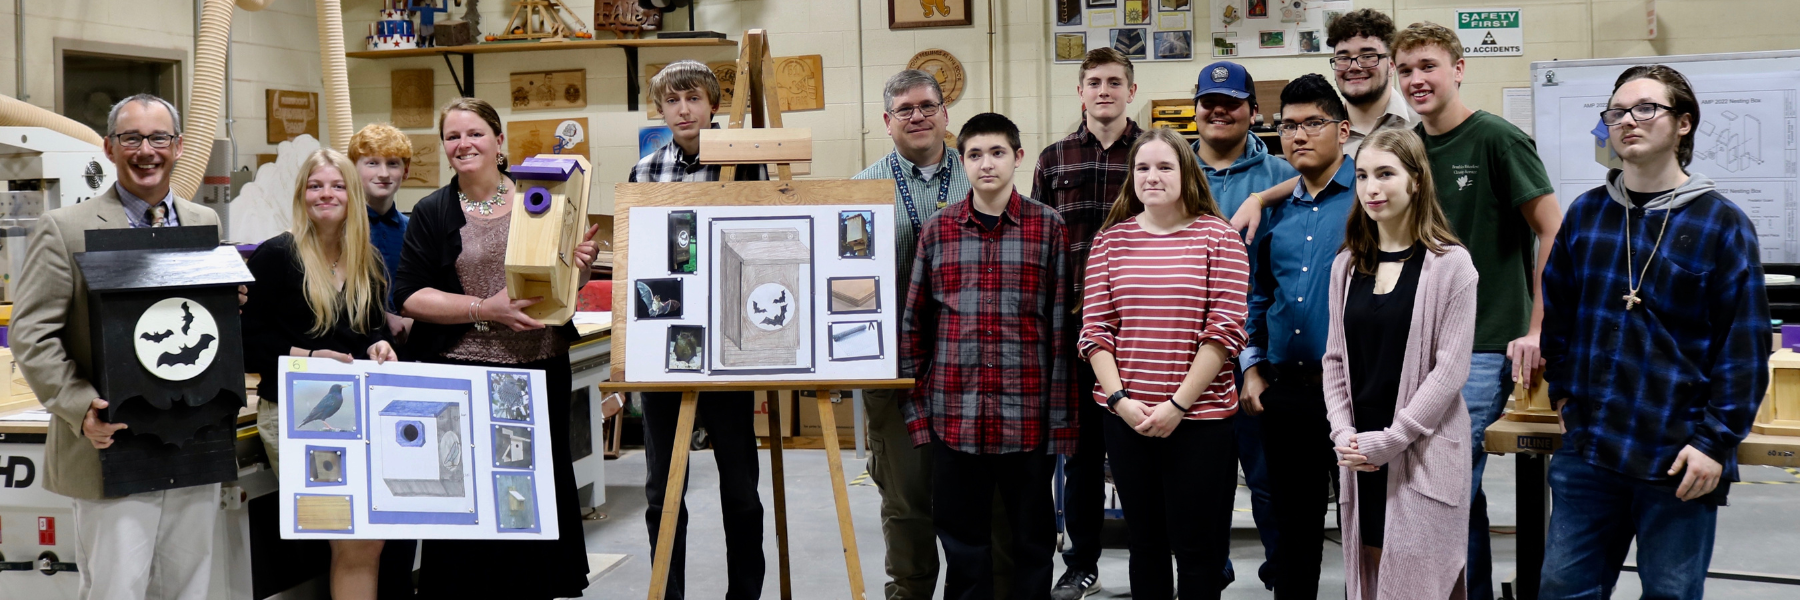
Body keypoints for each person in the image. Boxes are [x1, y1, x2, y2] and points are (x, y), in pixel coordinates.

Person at [1538, 65, 1770, 600]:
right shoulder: (1587, 214)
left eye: (1646, 109)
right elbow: (1560, 316)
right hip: (1590, 449)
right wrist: (1566, 396)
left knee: (1670, 594)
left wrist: (1715, 442)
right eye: (1617, 112)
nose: (1628, 121)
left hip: (1680, 454)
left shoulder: (1722, 223)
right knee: (1561, 589)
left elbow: (1745, 346)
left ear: (1683, 124)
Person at [11, 93, 224, 599]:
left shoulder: (203, 224)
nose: (145, 150)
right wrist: (80, 407)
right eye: (131, 137)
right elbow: (32, 334)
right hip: (112, 444)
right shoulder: (65, 229)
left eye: (158, 138)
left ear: (178, 146)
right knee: (116, 590)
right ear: (109, 148)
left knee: (188, 590)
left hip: (192, 443)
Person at [393, 97, 596, 599]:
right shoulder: (432, 211)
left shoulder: (540, 195)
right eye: (453, 137)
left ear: (499, 142)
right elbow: (410, 295)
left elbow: (556, 280)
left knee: (534, 488)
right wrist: (485, 308)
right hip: (467, 374)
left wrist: (580, 267)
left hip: (541, 366)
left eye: (475, 134)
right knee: (475, 495)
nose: (464, 144)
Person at [1389, 23, 1561, 596]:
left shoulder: (1496, 139)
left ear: (1458, 68)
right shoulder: (1409, 148)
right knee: (1449, 489)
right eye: (1406, 69)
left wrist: (1538, 325)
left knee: (1449, 484)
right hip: (1421, 344)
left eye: (1428, 66)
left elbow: (1551, 229)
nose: (1417, 79)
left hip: (1485, 344)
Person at [903, 112, 1075, 600]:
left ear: (1018, 158)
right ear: (962, 163)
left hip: (1027, 420)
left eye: (997, 152)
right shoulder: (938, 231)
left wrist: (1061, 424)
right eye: (975, 154)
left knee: (1033, 543)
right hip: (955, 418)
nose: (986, 164)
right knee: (964, 548)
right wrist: (919, 416)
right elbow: (913, 325)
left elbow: (1061, 328)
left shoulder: (1048, 228)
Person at [1078, 126, 1248, 600]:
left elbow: (1226, 331)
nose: (1152, 176)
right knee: (1145, 544)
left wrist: (1178, 405)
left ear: (1186, 173)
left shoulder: (1219, 237)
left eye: (1165, 166)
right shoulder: (1111, 243)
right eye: (1143, 167)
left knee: (1197, 548)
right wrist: (1120, 401)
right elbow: (1095, 332)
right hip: (1127, 417)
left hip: (1200, 421)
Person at [630, 59, 768, 600]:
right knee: (663, 491)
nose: (683, 109)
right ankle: (668, 591)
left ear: (712, 104)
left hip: (731, 340)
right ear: (660, 109)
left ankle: (746, 594)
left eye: (693, 98)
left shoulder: (743, 162)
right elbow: (644, 253)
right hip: (669, 339)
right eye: (672, 100)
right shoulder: (646, 170)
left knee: (741, 488)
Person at [1322, 128, 1475, 600]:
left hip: (1418, 448)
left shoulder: (1452, 266)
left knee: (1421, 581)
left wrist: (1394, 438)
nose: (1372, 188)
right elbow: (1334, 360)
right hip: (1361, 451)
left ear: (1415, 181)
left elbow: (1449, 370)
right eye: (1363, 174)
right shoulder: (1347, 265)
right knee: (1369, 572)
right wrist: (1342, 431)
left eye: (1386, 174)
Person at [242, 147, 401, 600]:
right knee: (354, 535)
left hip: (360, 412)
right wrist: (306, 357)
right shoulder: (276, 257)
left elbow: (368, 331)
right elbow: (243, 342)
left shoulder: (367, 260)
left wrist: (380, 344)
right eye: (315, 186)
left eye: (335, 186)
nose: (325, 194)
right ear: (302, 195)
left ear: (351, 195)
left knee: (365, 537)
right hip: (299, 416)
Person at [852, 68, 976, 600]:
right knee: (904, 497)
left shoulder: (980, 174)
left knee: (980, 497)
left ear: (946, 114)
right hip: (895, 367)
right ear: (887, 121)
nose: (918, 116)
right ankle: (909, 590)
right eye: (905, 109)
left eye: (928, 106)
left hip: (973, 367)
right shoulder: (862, 189)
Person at [1028, 46, 1142, 600]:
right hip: (1072, 334)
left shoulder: (1156, 152)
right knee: (1079, 457)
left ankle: (1152, 562)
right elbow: (1036, 242)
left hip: (1141, 333)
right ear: (1080, 91)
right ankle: (1082, 563)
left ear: (1131, 91)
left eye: (1114, 81)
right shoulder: (1053, 159)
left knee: (1138, 452)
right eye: (1094, 81)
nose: (1104, 90)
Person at [1241, 74, 1358, 600]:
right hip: (1286, 389)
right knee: (1293, 531)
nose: (1299, 136)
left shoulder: (1370, 197)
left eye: (1313, 123)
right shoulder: (1273, 213)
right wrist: (1251, 366)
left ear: (1343, 129)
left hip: (1359, 392)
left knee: (1369, 526)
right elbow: (1257, 294)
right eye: (1287, 126)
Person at [1186, 59, 1295, 591]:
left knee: (1270, 480)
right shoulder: (1172, 172)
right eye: (1209, 101)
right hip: (1186, 356)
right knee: (1199, 484)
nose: (1219, 110)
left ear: (1254, 110)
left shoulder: (1280, 175)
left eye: (1231, 102)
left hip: (1261, 353)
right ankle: (1210, 576)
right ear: (1197, 108)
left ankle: (1282, 576)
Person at [1227, 8, 1418, 238]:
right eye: (1343, 58)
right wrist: (1259, 199)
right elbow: (1314, 180)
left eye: (1368, 56)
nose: (1354, 66)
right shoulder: (1326, 132)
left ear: (1392, 64)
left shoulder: (1419, 126)